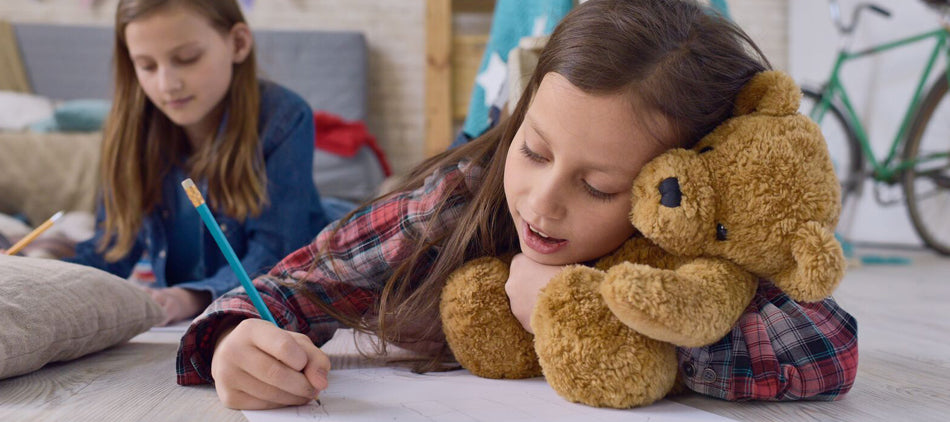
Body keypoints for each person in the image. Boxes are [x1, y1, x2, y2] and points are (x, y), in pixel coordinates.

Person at [177, 0, 857, 410]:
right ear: (520, 116)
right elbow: (288, 285)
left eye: (598, 187)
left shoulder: (702, 236)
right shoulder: (457, 206)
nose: (540, 201)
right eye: (533, 150)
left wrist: (605, 316)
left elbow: (829, 348)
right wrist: (234, 344)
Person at [63, 0, 329, 326]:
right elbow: (112, 248)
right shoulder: (129, 132)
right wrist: (37, 268)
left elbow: (275, 256)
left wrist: (192, 296)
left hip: (312, 245)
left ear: (238, 44)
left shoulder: (284, 117)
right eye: (146, 66)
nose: (167, 85)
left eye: (187, 59)